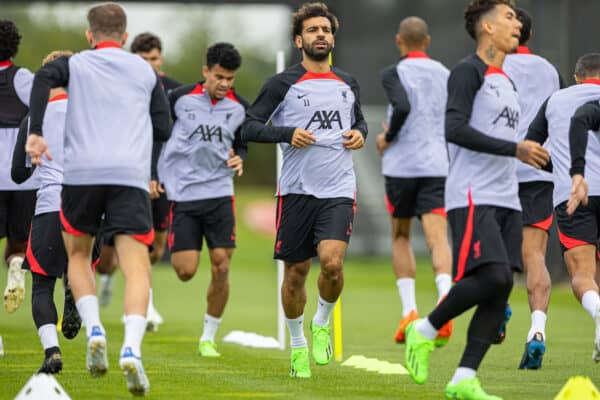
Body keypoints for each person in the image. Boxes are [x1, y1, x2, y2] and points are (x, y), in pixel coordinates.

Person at [403, 1, 549, 398]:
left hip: (507, 198)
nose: (516, 23)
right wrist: (514, 149)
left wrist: (529, 149)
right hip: (472, 194)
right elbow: (453, 128)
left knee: (500, 289)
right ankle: (426, 328)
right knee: (495, 276)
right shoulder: (468, 72)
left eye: (517, 18)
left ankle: (464, 378)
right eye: (508, 16)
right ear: (486, 27)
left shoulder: (507, 80)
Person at [25, 3, 171, 395]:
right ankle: (132, 350)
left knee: (78, 256)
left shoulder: (76, 65)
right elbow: (163, 124)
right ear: (124, 37)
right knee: (136, 266)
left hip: (81, 175)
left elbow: (42, 77)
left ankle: (93, 329)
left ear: (90, 36)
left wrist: (36, 131)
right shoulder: (144, 70)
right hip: (128, 177)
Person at [242, 2, 367, 378]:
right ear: (299, 39)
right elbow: (248, 126)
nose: (321, 36)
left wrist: (360, 132)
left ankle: (322, 321)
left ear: (333, 37)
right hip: (296, 191)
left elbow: (357, 119)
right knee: (295, 272)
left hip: (339, 189)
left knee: (331, 262)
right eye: (313, 30)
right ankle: (297, 346)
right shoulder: (282, 84)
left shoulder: (348, 82)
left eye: (326, 30)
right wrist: (286, 134)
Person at [158, 42, 247, 357]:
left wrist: (241, 158)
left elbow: (242, 142)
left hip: (220, 194)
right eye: (219, 77)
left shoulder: (239, 107)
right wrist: (155, 174)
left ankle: (208, 337)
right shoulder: (178, 99)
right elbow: (158, 133)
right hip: (184, 194)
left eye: (230, 79)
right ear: (205, 72)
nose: (224, 84)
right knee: (185, 271)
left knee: (221, 266)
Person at [375, 16, 453, 346]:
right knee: (438, 238)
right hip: (436, 163)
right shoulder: (446, 74)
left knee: (401, 236)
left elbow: (403, 105)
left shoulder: (394, 73)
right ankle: (445, 305)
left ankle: (409, 312)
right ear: (428, 40)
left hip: (401, 166)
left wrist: (388, 135)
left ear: (399, 41)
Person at [526, 53, 600, 364]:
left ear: (576, 76)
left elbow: (531, 147)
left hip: (572, 196)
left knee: (583, 275)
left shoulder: (556, 100)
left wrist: (563, 171)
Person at [502, 7, 565, 369]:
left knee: (495, 256)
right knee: (535, 256)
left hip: (501, 171)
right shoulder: (550, 69)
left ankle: (499, 310)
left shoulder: (491, 68)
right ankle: (537, 330)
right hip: (542, 172)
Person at [0, 19, 37, 314]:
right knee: (18, 242)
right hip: (23, 177)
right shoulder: (24, 78)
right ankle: (16, 263)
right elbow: (44, 108)